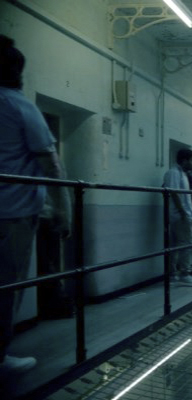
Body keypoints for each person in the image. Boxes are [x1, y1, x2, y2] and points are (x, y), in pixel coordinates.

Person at [0, 35, 72, 375]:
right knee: (7, 285)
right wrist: (64, 210)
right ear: (16, 71)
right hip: (12, 212)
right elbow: (51, 163)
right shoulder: (17, 104)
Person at [163, 148, 192, 287]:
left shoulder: (182, 174)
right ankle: (185, 274)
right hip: (180, 215)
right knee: (188, 244)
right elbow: (173, 192)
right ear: (184, 160)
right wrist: (183, 212)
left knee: (175, 245)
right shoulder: (173, 173)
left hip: (181, 214)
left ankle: (173, 274)